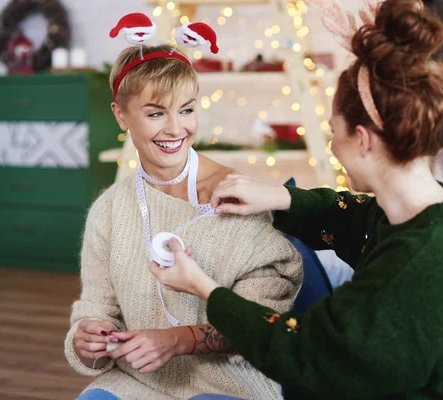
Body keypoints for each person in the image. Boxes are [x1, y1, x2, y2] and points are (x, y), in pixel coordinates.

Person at [150, 0, 443, 398]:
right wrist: (278, 197)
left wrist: (204, 288)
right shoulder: (430, 210)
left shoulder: (416, 268)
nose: (332, 147)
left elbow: (302, 354)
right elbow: (357, 220)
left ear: (363, 140)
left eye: (336, 134)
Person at [64, 38, 303, 399]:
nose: (176, 129)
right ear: (121, 115)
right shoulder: (110, 210)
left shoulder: (237, 199)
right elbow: (98, 308)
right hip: (139, 381)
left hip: (228, 385)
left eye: (187, 110)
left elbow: (265, 323)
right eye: (156, 113)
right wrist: (89, 339)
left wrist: (178, 340)